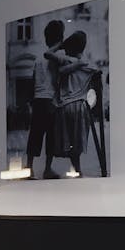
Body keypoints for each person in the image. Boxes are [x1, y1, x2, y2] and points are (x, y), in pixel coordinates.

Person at [45, 30, 96, 176]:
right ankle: (78, 170)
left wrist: (60, 45)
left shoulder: (66, 60)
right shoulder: (89, 64)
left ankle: (75, 171)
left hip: (65, 106)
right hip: (81, 107)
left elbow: (47, 54)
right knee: (77, 144)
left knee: (67, 142)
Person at [26, 19, 63, 179]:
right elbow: (57, 80)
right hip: (50, 100)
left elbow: (33, 80)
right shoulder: (56, 57)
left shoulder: (37, 59)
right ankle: (48, 169)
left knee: (35, 134)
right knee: (51, 136)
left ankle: (29, 167)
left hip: (37, 99)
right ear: (60, 37)